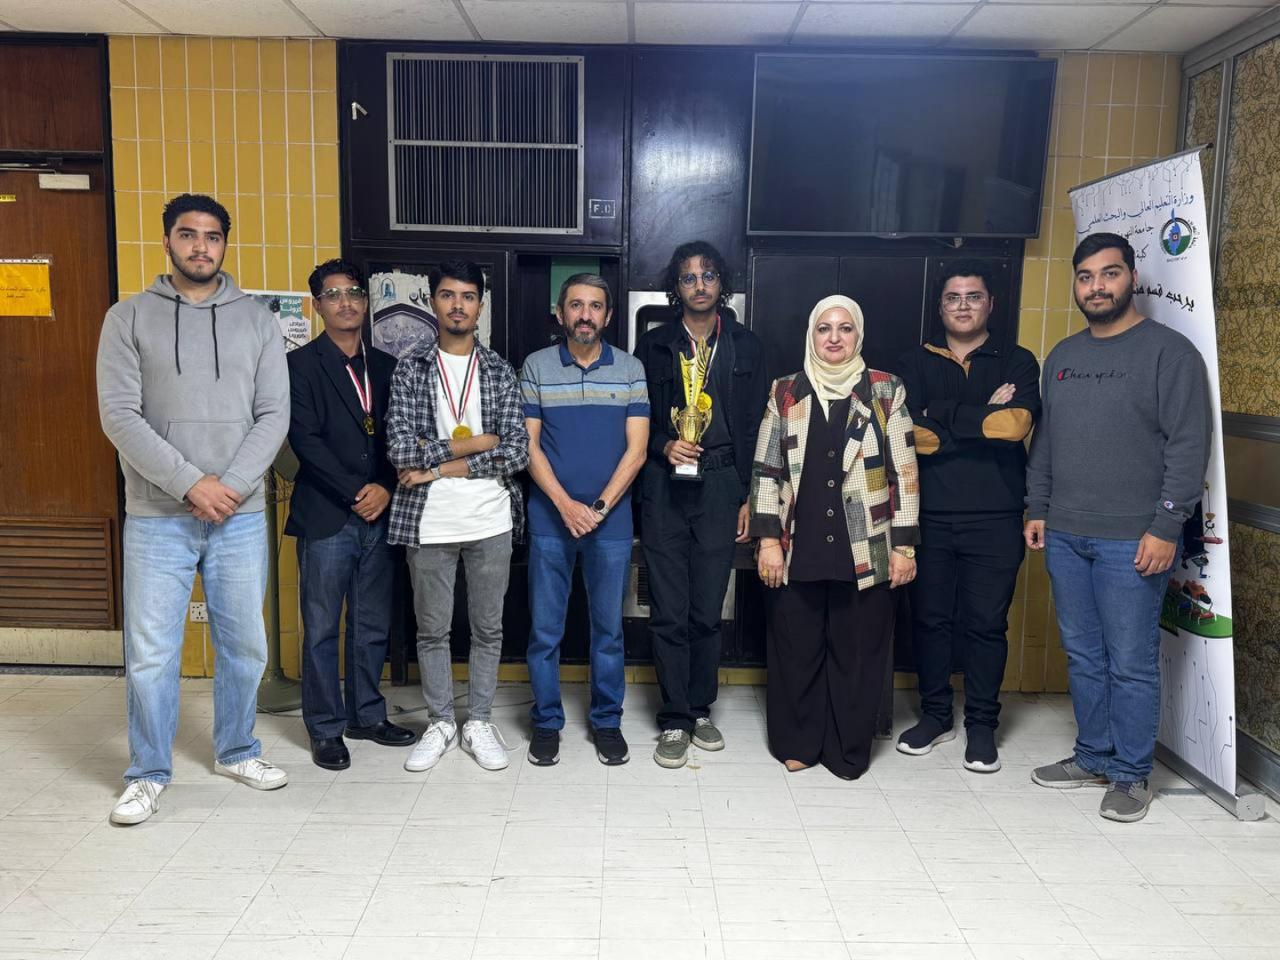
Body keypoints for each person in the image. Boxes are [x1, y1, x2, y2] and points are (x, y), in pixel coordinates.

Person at [96, 193, 290, 825]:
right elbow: (119, 416)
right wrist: (190, 485)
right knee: (152, 652)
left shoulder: (257, 321)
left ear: (225, 244)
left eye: (212, 236)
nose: (200, 246)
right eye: (188, 235)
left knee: (246, 645)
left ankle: (237, 750)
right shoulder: (127, 318)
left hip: (239, 514)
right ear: (167, 242)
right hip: (158, 516)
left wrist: (228, 486)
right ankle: (147, 772)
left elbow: (274, 415)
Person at [1026, 233, 1211, 822]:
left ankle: (1131, 775)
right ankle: (1093, 756)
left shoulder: (1170, 353)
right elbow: (1048, 442)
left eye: (1109, 273)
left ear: (1133, 277)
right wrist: (1037, 506)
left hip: (1133, 538)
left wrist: (1166, 525)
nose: (1096, 286)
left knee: (1129, 661)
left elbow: (1188, 447)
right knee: (1084, 655)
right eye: (1085, 276)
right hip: (1066, 533)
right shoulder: (1062, 356)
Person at [751, 295, 919, 780]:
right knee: (796, 651)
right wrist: (767, 541)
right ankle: (798, 743)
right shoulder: (786, 390)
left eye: (845, 328)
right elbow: (766, 470)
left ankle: (846, 751)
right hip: (798, 545)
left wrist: (904, 546)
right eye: (824, 328)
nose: (834, 338)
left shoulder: (885, 390)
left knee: (858, 656)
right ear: (812, 334)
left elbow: (905, 472)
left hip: (865, 546)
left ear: (858, 335)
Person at [894, 261, 1041, 773]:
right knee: (930, 620)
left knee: (986, 625)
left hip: (996, 517)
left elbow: (1014, 426)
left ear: (990, 304)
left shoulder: (1017, 361)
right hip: (928, 515)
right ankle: (936, 716)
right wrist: (981, 413)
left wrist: (943, 412)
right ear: (940, 308)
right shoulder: (913, 362)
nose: (963, 305)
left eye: (973, 296)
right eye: (953, 297)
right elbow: (911, 435)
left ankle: (981, 725)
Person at [385, 261, 529, 773]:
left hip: (490, 520)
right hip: (428, 522)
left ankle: (479, 720)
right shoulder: (410, 368)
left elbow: (516, 451)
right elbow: (400, 448)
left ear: (480, 306)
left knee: (488, 630)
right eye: (448, 295)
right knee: (432, 631)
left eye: (468, 297)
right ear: (433, 302)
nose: (458, 305)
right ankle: (442, 721)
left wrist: (440, 465)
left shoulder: (499, 371)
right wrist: (477, 443)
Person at [634, 241, 770, 769]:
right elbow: (636, 418)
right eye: (688, 277)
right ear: (677, 286)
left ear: (721, 284)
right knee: (668, 610)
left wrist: (748, 495)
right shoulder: (654, 345)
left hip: (720, 482)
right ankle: (674, 718)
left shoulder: (746, 345)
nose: (699, 285)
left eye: (708, 275)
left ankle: (699, 708)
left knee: (707, 611)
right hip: (665, 484)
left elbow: (758, 426)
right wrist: (663, 445)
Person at [285, 259, 414, 771]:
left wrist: (385, 487)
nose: (346, 302)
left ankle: (366, 715)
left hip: (380, 513)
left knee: (371, 623)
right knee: (321, 627)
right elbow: (304, 441)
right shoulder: (299, 365)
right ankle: (325, 728)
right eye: (334, 295)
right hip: (327, 514)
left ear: (366, 301)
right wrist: (357, 491)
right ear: (318, 305)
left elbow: (398, 436)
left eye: (354, 293)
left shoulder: (387, 366)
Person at [520, 274, 649, 767]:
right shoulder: (536, 366)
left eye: (595, 306)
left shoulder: (631, 369)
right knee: (544, 630)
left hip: (609, 523)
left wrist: (596, 509)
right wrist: (566, 506)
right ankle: (546, 722)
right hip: (550, 520)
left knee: (608, 629)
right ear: (560, 313)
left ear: (608, 316)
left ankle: (607, 721)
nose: (585, 315)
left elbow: (637, 451)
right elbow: (528, 446)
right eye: (576, 305)